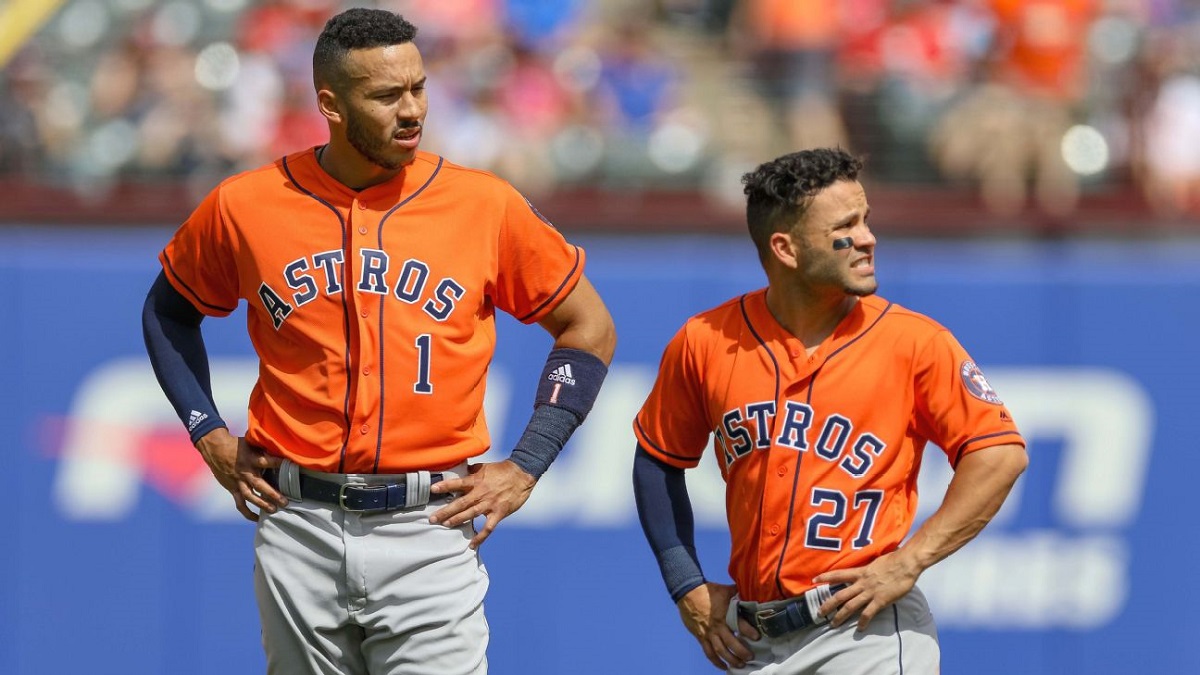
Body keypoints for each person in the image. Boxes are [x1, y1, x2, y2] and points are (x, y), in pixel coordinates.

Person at [141, 8, 616, 675]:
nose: (413, 108)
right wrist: (208, 433)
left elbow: (589, 325)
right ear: (330, 104)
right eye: (387, 95)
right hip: (298, 520)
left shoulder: (483, 204)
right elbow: (167, 311)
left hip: (430, 525)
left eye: (419, 87)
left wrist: (529, 461)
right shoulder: (245, 205)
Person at [631, 147, 1027, 673]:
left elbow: (999, 454)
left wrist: (909, 562)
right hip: (755, 639)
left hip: (864, 634)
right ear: (786, 249)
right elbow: (657, 459)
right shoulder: (705, 341)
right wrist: (686, 584)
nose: (868, 238)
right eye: (845, 226)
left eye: (866, 220)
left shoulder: (913, 342)